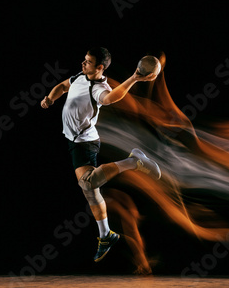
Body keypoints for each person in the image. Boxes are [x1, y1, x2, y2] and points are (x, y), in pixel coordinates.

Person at [41, 47, 162, 262]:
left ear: (100, 67)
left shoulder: (98, 87)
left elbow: (110, 98)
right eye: (84, 59)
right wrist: (50, 98)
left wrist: (134, 78)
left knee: (88, 185)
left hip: (85, 143)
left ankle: (134, 161)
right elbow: (62, 86)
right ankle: (106, 235)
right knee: (90, 191)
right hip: (74, 142)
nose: (82, 63)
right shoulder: (79, 76)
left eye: (88, 62)